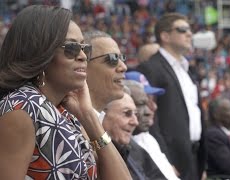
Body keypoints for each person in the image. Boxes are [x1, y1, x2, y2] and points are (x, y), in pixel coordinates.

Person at [0, 5, 130, 180]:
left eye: (85, 48)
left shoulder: (67, 112)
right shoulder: (22, 109)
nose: (83, 56)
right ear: (41, 51)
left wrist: (88, 116)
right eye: (71, 48)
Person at [137, 12, 206, 180]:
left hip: (193, 156)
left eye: (190, 29)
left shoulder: (187, 70)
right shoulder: (151, 68)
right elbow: (150, 119)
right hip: (171, 157)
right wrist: (163, 158)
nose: (189, 34)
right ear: (165, 36)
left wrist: (201, 164)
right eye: (182, 30)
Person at [124, 73, 180, 180]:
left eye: (151, 99)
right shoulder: (119, 144)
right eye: (141, 103)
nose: (153, 107)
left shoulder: (148, 138)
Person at [102, 90, 166, 180]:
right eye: (127, 113)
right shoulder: (92, 148)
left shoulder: (132, 148)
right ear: (102, 114)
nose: (135, 122)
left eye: (135, 114)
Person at [83, 30, 127, 122]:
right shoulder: (64, 123)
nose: (124, 67)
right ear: (83, 66)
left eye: (121, 58)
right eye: (113, 58)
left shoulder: (100, 121)